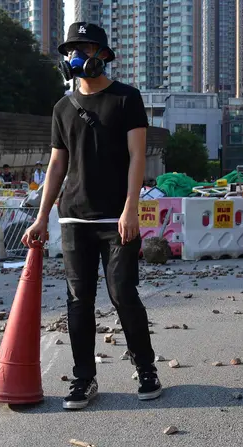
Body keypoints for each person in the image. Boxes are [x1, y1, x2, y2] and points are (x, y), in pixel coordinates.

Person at [21, 22, 159, 410]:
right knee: (78, 300)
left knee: (123, 294)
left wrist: (131, 206)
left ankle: (146, 367)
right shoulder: (62, 108)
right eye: (71, 50)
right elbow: (56, 167)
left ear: (103, 54)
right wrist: (40, 217)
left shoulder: (126, 98)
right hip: (74, 218)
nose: (77, 57)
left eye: (85, 48)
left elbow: (137, 156)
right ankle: (84, 378)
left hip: (118, 219)